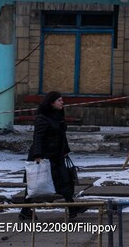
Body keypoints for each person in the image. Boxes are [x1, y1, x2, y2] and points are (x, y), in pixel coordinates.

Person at [20, 91, 87, 220]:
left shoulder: (58, 116)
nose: (62, 102)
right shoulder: (42, 118)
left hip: (57, 155)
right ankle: (25, 210)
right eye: (59, 100)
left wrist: (66, 149)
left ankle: (72, 208)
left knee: (64, 181)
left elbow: (61, 135)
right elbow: (38, 137)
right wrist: (37, 155)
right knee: (36, 183)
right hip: (44, 156)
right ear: (52, 103)